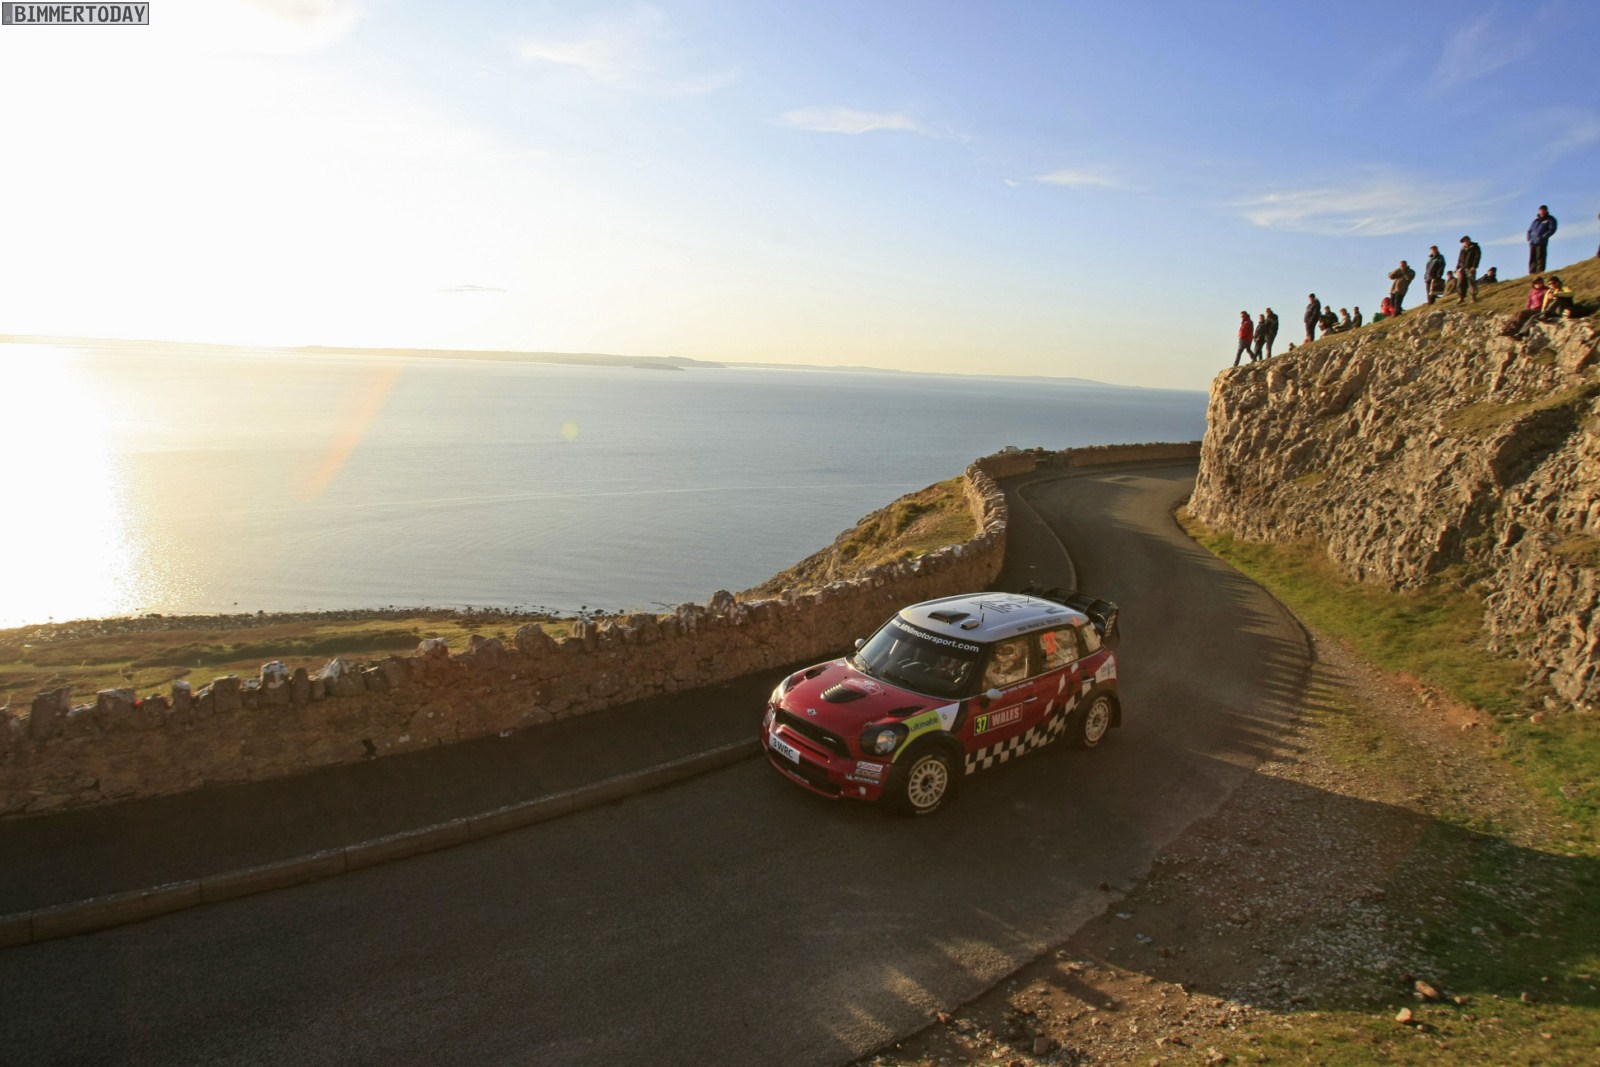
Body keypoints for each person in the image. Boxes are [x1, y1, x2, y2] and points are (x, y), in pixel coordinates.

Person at [1528, 205, 1558, 274]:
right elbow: (1529, 230)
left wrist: (1544, 236)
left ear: (1546, 211)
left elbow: (1552, 229)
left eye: (1543, 210)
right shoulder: (1535, 221)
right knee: (1532, 258)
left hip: (1541, 242)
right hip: (1533, 242)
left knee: (1540, 257)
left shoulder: (1550, 219)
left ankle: (1540, 272)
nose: (1542, 211)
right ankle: (1532, 273)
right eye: (1540, 210)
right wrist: (1529, 238)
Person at [1457, 236, 1481, 303]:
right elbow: (1459, 259)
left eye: (1465, 240)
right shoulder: (1462, 249)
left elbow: (1477, 257)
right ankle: (1461, 298)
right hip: (1462, 268)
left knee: (1471, 282)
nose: (1465, 242)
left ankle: (1473, 297)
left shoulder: (1475, 247)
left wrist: (1474, 266)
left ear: (1469, 240)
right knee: (1460, 283)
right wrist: (1457, 267)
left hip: (1471, 268)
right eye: (1463, 241)